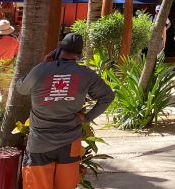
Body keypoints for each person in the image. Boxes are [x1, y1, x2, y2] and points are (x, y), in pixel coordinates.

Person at [16, 33, 114, 189]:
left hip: (40, 143)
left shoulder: (40, 70)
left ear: (58, 49)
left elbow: (21, 88)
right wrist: (88, 117)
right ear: (79, 55)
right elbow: (108, 96)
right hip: (70, 143)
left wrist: (43, 65)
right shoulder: (86, 74)